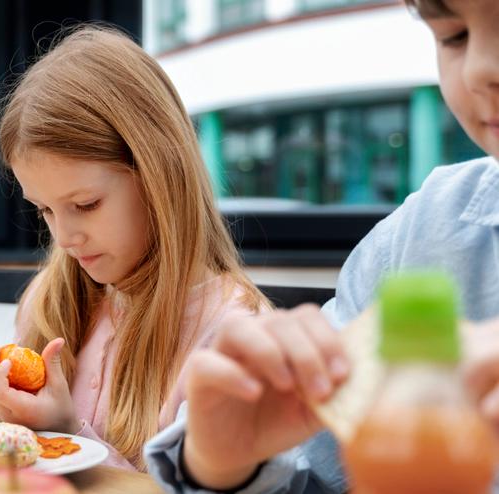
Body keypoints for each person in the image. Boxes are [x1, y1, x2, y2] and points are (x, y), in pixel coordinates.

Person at [144, 0, 499, 491]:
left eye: (87, 204)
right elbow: (317, 472)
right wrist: (224, 463)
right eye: (453, 36)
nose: (482, 68)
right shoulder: (416, 241)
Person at [0, 25, 268, 471]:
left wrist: (65, 432)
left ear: (159, 176)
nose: (63, 238)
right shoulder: (48, 300)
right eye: (45, 211)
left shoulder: (233, 337)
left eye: (85, 204)